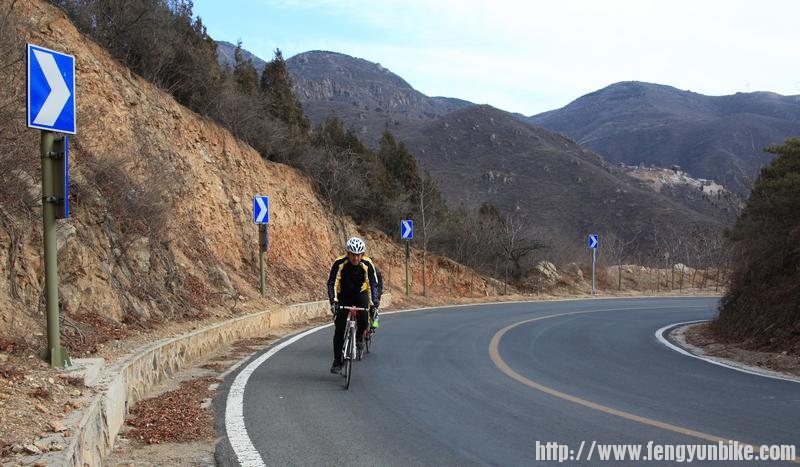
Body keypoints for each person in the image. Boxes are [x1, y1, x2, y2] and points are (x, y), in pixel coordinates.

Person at [327, 236, 381, 373]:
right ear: (347, 253)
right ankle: (337, 362)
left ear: (362, 254)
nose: (355, 258)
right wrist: (333, 301)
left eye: (358, 255)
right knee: (339, 329)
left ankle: (358, 337)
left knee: (364, 317)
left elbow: (373, 284)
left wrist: (374, 303)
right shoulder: (340, 263)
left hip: (360, 294)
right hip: (344, 296)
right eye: (352, 255)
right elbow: (332, 282)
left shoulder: (367, 264)